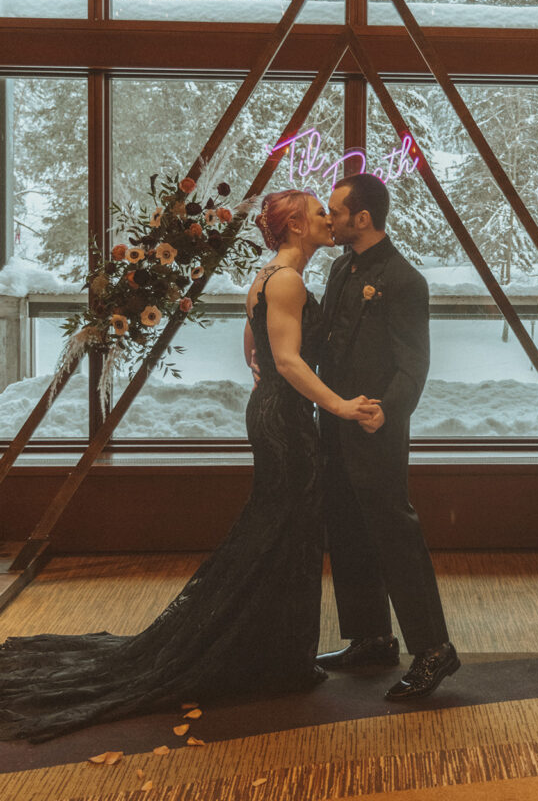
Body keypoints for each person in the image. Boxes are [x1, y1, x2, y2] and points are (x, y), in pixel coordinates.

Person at [0, 189, 372, 742]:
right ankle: (267, 655)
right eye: (319, 212)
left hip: (275, 411)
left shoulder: (271, 276)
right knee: (283, 530)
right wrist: (340, 405)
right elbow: (289, 358)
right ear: (295, 225)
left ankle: (267, 650)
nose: (328, 219)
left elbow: (255, 341)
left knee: (279, 530)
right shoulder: (288, 280)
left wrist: (263, 368)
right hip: (286, 422)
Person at [316, 173, 460, 700]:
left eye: (334, 212)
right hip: (333, 420)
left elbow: (414, 362)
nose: (327, 220)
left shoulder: (404, 280)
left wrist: (388, 412)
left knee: (395, 535)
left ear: (362, 218)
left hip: (375, 426)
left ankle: (435, 650)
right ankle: (372, 638)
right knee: (348, 527)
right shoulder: (338, 267)